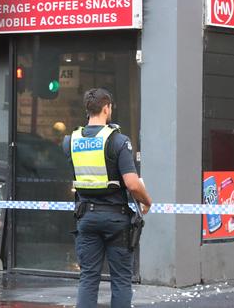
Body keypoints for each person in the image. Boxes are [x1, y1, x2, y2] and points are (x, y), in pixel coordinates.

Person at [62, 88, 153, 308]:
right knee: (121, 280)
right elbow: (132, 183)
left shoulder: (71, 141)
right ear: (106, 108)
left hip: (86, 218)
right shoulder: (118, 141)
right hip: (116, 220)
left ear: (88, 109)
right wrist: (147, 201)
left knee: (88, 279)